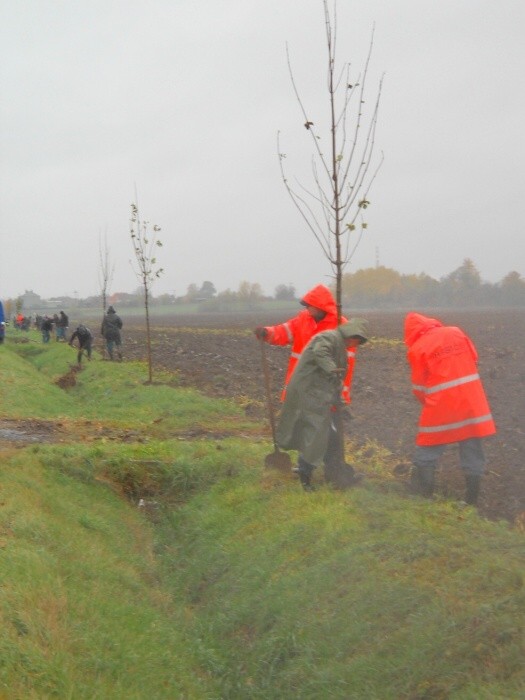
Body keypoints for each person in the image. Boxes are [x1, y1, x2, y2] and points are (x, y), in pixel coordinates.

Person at [254, 284, 361, 481]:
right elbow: (283, 332)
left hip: (325, 391)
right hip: (303, 387)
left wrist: (341, 394)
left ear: (321, 307)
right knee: (305, 426)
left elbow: (347, 365)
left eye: (310, 306)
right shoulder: (303, 320)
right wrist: (267, 333)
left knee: (329, 430)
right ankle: (310, 466)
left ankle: (330, 468)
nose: (307, 309)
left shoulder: (340, 325)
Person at [404, 312, 496, 506]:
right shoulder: (456, 332)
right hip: (472, 403)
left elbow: (419, 387)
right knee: (472, 451)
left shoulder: (417, 348)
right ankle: (471, 502)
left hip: (441, 407)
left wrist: (430, 402)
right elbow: (474, 357)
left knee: (428, 449)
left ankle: (424, 497)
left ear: (411, 333)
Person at [275, 319, 369, 491]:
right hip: (308, 394)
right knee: (317, 434)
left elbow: (335, 381)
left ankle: (336, 475)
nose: (357, 345)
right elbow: (321, 353)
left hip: (318, 396)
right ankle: (305, 476)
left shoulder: (340, 347)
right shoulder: (329, 337)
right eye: (358, 340)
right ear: (352, 335)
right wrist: (331, 369)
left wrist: (339, 402)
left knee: (329, 437)